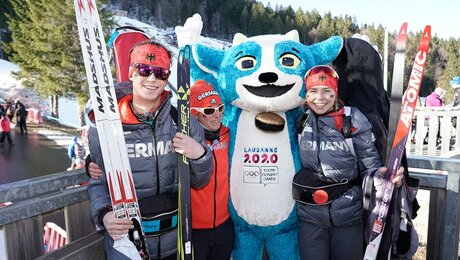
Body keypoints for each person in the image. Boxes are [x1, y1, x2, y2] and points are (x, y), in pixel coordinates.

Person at [86, 40, 213, 259]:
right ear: (131, 73)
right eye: (144, 70)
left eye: (160, 73)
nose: (152, 79)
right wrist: (104, 215)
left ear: (167, 77)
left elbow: (200, 181)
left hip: (176, 240)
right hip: (127, 242)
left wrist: (200, 156)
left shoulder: (182, 122)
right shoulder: (107, 125)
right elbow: (98, 181)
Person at [293, 65, 403, 259]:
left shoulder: (351, 120)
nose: (320, 98)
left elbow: (371, 167)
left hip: (348, 217)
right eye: (313, 92)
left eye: (327, 91)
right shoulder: (302, 121)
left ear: (335, 93)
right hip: (310, 218)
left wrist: (385, 176)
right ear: (306, 95)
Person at [189, 80, 233, 260]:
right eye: (208, 111)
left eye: (220, 108)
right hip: (194, 230)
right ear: (194, 114)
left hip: (224, 225)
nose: (216, 115)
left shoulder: (229, 133)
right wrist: (91, 161)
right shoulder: (186, 141)